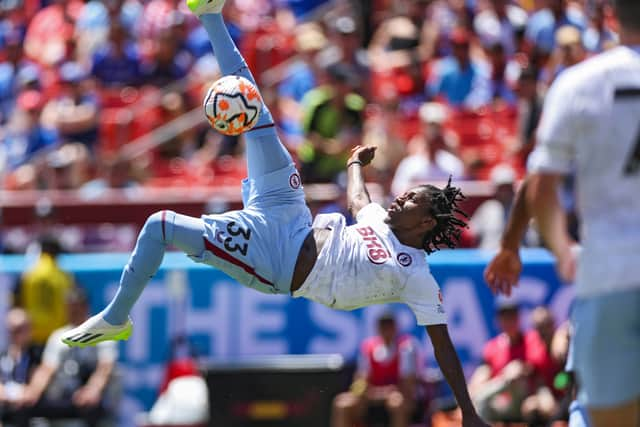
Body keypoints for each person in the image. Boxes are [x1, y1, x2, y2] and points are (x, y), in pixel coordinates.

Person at [62, 1, 489, 425]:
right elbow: (360, 202)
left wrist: (467, 412)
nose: (400, 199)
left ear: (427, 222)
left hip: (273, 261)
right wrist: (355, 164)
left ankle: (116, 319)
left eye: (411, 200)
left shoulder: (416, 274)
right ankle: (210, 14)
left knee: (160, 226)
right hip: (290, 212)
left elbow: (443, 346)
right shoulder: (380, 218)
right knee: (254, 106)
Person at [485, 2, 640, 426]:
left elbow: (541, 185)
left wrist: (557, 247)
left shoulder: (579, 84)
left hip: (610, 273)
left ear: (609, 18)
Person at [17, 288, 118, 426]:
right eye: (70, 308)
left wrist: (92, 390)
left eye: (77, 307)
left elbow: (105, 367)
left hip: (91, 397)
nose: (73, 312)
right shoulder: (58, 336)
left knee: (92, 407)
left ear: (85, 307)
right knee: (25, 408)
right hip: (64, 397)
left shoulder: (102, 334)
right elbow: (47, 369)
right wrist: (32, 392)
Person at [332, 312, 422, 427]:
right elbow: (360, 380)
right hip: (372, 395)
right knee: (342, 404)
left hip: (398, 396)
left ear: (396, 328)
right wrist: (361, 392)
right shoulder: (368, 347)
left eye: (389, 326)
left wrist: (384, 393)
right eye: (383, 326)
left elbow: (408, 385)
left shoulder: (406, 347)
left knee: (397, 403)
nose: (386, 330)